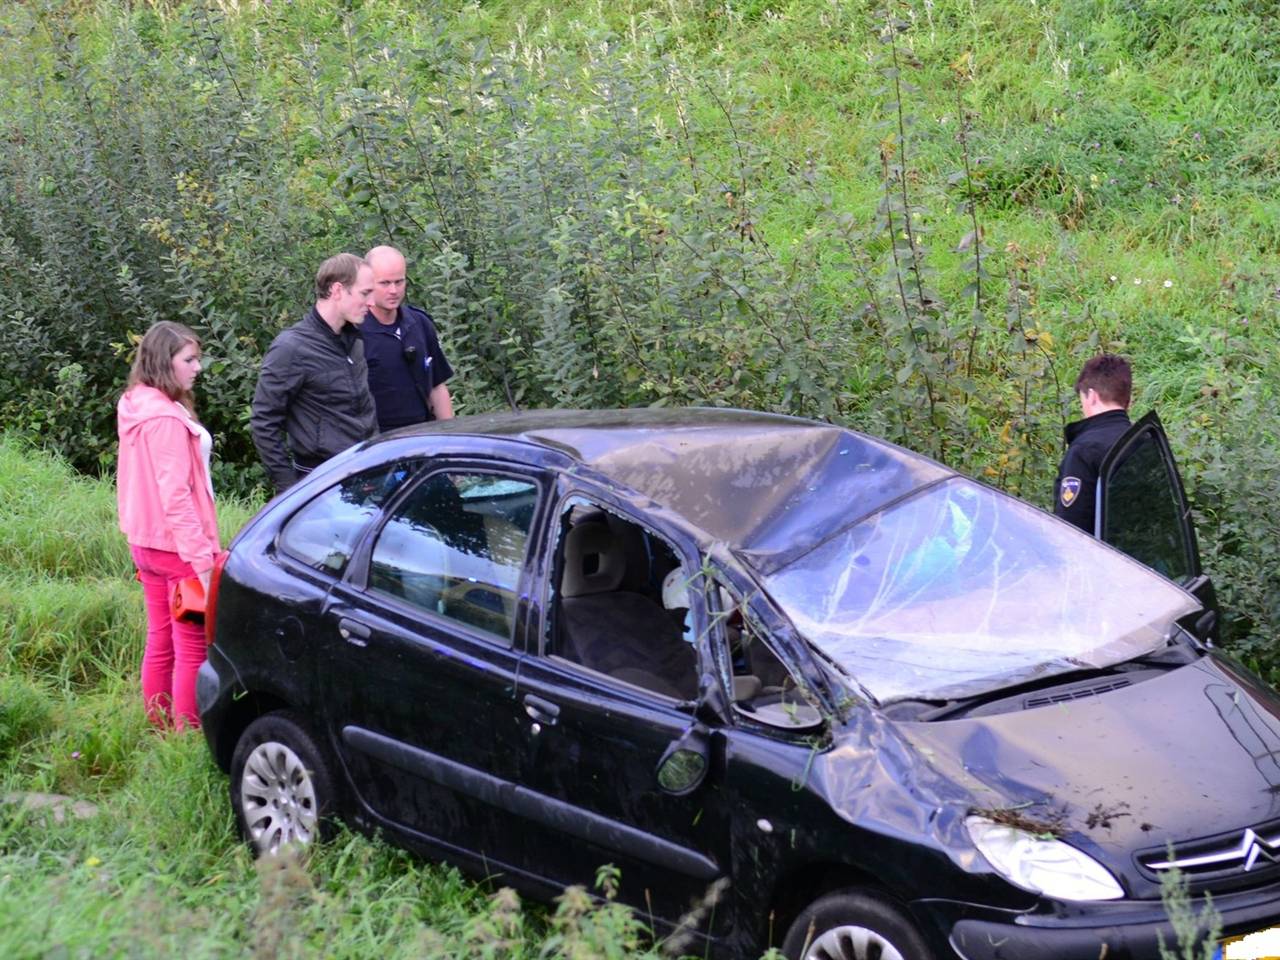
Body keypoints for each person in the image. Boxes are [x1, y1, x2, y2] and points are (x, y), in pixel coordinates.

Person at [116, 321, 220, 730]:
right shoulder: (165, 419)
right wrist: (204, 562)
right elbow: (175, 496)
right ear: (164, 362)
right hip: (177, 548)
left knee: (161, 639)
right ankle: (187, 734)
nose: (198, 368)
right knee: (191, 646)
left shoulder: (136, 403)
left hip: (145, 541)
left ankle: (159, 728)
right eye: (189, 360)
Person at [251, 253, 379, 493]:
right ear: (338, 290)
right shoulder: (291, 348)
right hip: (321, 483)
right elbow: (263, 422)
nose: (372, 302)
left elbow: (364, 411)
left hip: (366, 475)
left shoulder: (355, 342)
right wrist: (289, 489)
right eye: (365, 293)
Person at [361, 244, 454, 430]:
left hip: (422, 436)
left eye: (399, 281)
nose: (394, 290)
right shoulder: (355, 332)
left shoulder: (419, 323)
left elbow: (437, 387)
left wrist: (451, 437)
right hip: (377, 443)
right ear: (368, 283)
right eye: (385, 283)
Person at [1054, 354, 1133, 534]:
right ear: (1128, 399)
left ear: (1091, 396)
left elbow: (1071, 528)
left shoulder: (1084, 451)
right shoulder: (1144, 438)